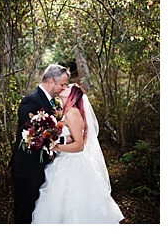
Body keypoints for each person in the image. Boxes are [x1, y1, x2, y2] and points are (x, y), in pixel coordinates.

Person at [32, 84, 124, 223]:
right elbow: (72, 138)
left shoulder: (72, 113)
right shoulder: (65, 112)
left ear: (72, 95)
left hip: (74, 165)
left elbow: (79, 145)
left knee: (75, 205)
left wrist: (55, 147)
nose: (64, 87)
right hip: (64, 162)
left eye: (68, 87)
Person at [11, 64, 69, 223]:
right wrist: (65, 140)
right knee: (25, 212)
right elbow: (34, 134)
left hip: (42, 166)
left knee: (37, 213)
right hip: (28, 168)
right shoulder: (31, 101)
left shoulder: (50, 102)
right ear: (51, 82)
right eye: (62, 84)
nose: (63, 88)